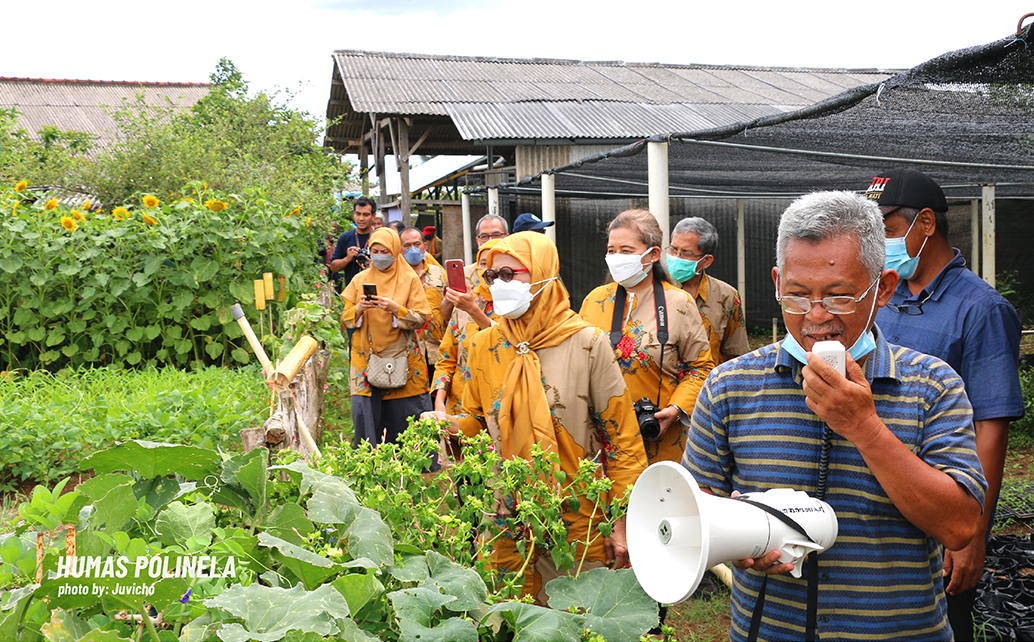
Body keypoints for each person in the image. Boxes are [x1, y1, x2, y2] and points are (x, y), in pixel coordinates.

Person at [683, 191, 986, 641]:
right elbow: (697, 509)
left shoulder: (932, 384)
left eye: (840, 296)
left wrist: (864, 426)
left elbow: (959, 525)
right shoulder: (730, 386)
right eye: (797, 296)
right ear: (776, 282)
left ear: (882, 288)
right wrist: (740, 546)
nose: (816, 318)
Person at [422, 232, 648, 604]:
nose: (498, 285)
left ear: (543, 275)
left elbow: (621, 439)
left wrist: (620, 522)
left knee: (574, 616)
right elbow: (479, 423)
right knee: (511, 613)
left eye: (510, 274)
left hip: (577, 509)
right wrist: (451, 425)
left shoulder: (588, 343)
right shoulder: (483, 345)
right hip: (505, 509)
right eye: (492, 277)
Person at [866, 168, 1023, 641]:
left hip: (940, 504)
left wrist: (973, 534)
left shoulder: (980, 309)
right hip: (877, 504)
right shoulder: (885, 296)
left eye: (886, 232)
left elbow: (990, 428)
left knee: (939, 623)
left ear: (926, 223)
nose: (877, 246)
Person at [579, 209, 716, 464]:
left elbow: (702, 367)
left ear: (653, 254)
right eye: (612, 250)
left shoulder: (678, 302)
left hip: (660, 441)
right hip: (601, 440)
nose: (616, 257)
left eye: (626, 250)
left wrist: (674, 410)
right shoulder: (594, 300)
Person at [341, 227, 432, 446]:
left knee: (406, 420)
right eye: (375, 250)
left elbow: (421, 318)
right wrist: (360, 308)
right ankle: (370, 472)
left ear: (394, 251)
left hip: (403, 357)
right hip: (366, 357)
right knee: (367, 419)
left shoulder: (409, 279)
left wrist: (395, 309)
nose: (379, 256)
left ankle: (414, 472)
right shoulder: (360, 279)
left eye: (385, 251)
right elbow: (346, 318)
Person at [669, 217, 751, 363]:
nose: (677, 258)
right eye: (673, 249)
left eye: (686, 253)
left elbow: (734, 355)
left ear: (706, 261)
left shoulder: (726, 296)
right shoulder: (654, 289)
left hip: (708, 383)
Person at [433, 239, 497, 416]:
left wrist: (473, 309)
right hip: (459, 406)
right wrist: (439, 401)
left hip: (497, 407)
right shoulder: (464, 303)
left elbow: (504, 342)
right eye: (483, 263)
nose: (487, 270)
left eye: (495, 263)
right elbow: (447, 358)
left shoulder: (514, 308)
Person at [400, 226, 448, 384]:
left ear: (425, 246)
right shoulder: (396, 276)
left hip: (437, 348)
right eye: (407, 245)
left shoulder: (439, 273)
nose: (413, 249)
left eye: (417, 244)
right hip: (408, 349)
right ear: (400, 249)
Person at [330, 196, 377, 292]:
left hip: (378, 289)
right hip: (352, 291)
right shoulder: (345, 237)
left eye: (366, 215)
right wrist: (347, 259)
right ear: (353, 214)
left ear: (373, 216)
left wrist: (374, 268)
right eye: (358, 214)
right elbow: (333, 267)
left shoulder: (381, 236)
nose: (361, 218)